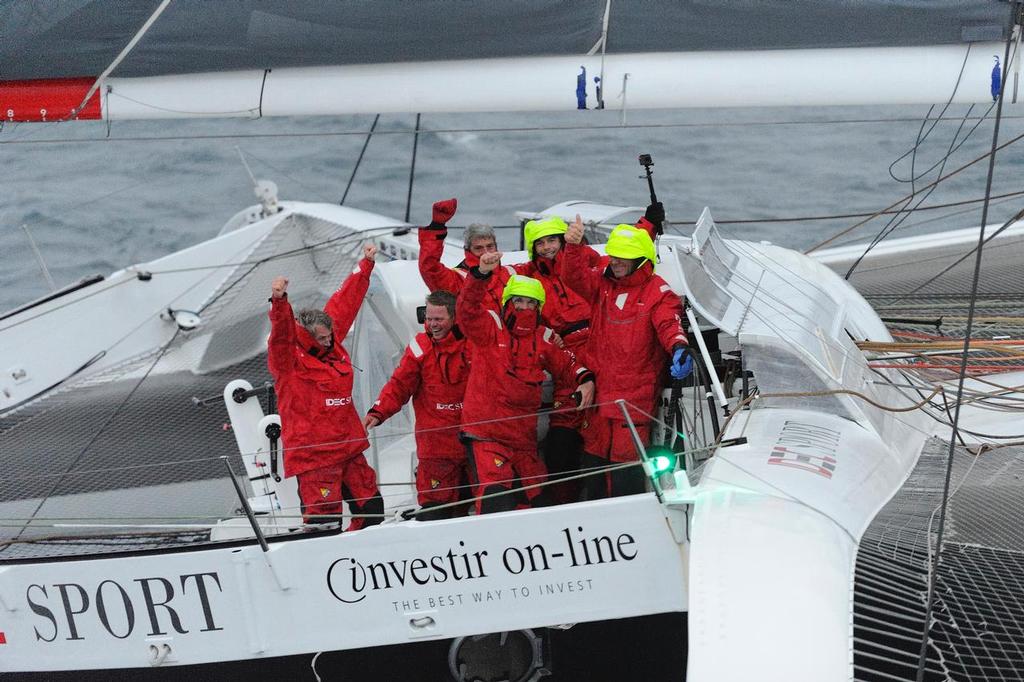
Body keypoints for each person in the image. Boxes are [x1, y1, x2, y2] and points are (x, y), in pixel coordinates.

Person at [562, 216, 693, 499]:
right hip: (598, 397)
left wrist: (679, 348)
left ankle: (628, 527)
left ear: (642, 260)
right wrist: (571, 248)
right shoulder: (603, 284)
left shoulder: (658, 294)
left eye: (626, 257)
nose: (618, 261)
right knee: (593, 466)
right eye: (616, 255)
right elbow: (573, 278)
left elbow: (669, 325)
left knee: (626, 472)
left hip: (632, 401)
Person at [457, 254, 596, 514]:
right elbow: (466, 309)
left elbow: (567, 364)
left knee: (540, 500)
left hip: (523, 440)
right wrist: (480, 275)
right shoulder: (489, 326)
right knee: (496, 497)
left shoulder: (543, 338)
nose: (523, 308)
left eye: (530, 303)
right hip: (487, 436)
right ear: (506, 302)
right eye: (517, 301)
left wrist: (585, 379)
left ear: (539, 307)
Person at [267, 244, 384, 529]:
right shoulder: (288, 361)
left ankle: (365, 558)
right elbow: (280, 337)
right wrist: (279, 302)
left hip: (349, 449)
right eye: (321, 339)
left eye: (330, 336)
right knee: (323, 523)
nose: (330, 342)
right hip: (316, 459)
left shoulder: (331, 341)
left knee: (373, 509)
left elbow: (345, 303)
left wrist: (365, 265)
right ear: (306, 337)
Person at [363, 290, 471, 521]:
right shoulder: (420, 347)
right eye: (429, 319)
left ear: (453, 317)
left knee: (484, 507)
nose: (432, 324)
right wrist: (378, 412)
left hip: (475, 441)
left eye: (438, 319)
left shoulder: (473, 344)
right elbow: (399, 384)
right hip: (437, 448)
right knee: (435, 511)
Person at [418, 198, 515, 312]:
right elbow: (429, 268)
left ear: (496, 246)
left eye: (490, 246)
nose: (486, 252)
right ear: (467, 250)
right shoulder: (457, 279)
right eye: (478, 248)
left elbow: (537, 267)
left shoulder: (510, 273)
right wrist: (437, 225)